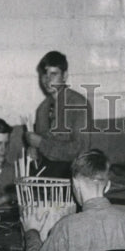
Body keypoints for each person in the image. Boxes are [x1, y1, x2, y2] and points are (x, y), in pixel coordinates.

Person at [22, 50, 94, 178]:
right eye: (44, 74)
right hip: (49, 177)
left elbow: (80, 149)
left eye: (53, 74)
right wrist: (34, 151)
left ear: (64, 76)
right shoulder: (42, 110)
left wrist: (41, 144)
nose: (47, 79)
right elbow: (43, 153)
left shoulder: (78, 104)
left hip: (73, 176)